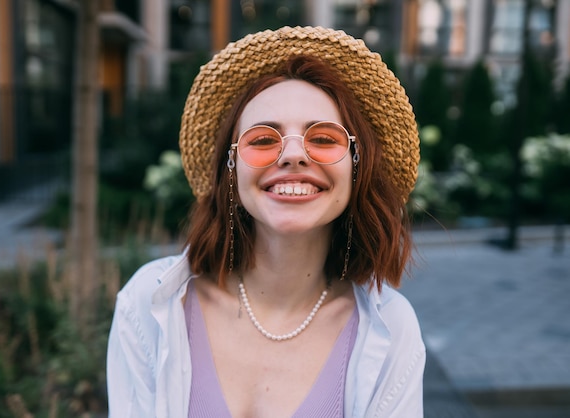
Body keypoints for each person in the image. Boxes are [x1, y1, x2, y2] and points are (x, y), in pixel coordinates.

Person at [107, 26, 425, 417]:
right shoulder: (148, 305)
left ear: (357, 167)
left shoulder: (393, 329)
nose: (292, 154)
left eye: (324, 139)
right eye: (262, 140)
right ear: (232, 167)